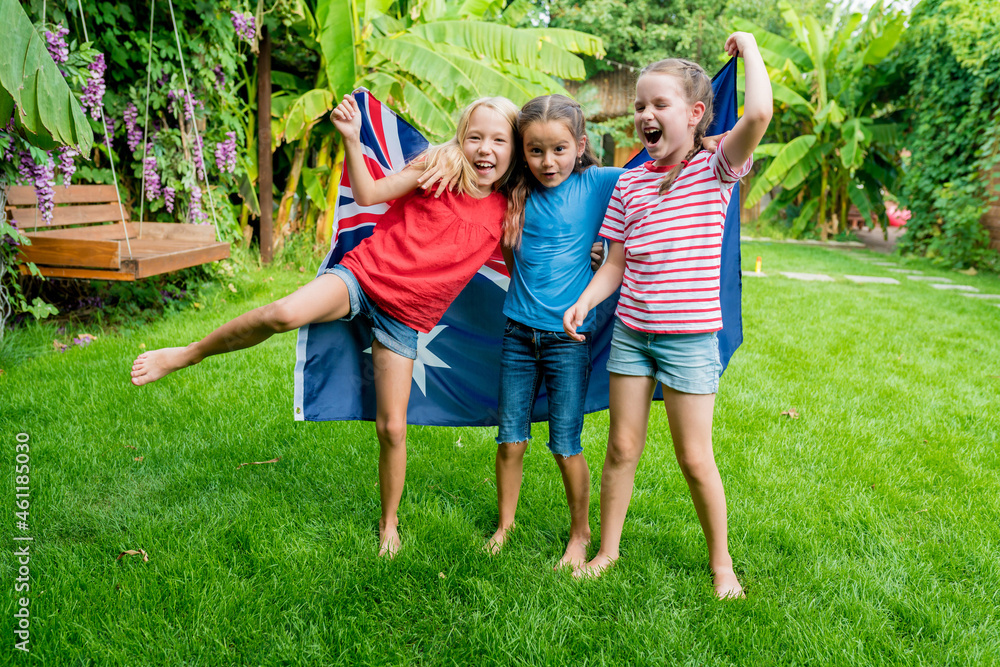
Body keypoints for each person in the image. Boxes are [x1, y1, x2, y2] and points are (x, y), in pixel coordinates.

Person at [130, 93, 526, 558]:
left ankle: (388, 522)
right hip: (363, 277)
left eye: (499, 140)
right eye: (475, 136)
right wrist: (353, 141)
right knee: (280, 313)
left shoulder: (508, 214)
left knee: (393, 429)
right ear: (461, 137)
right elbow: (370, 194)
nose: (485, 149)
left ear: (514, 150)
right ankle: (188, 353)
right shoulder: (438, 166)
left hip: (406, 318)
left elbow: (527, 269)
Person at [563, 32, 772, 597]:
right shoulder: (629, 182)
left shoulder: (716, 171)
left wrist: (749, 47)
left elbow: (758, 112)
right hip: (632, 333)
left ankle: (722, 564)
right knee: (621, 448)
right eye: (639, 106)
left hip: (689, 339)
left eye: (659, 104)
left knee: (693, 457)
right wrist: (588, 298)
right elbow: (615, 261)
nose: (645, 115)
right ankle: (607, 551)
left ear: (696, 114)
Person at [485, 95, 622, 569]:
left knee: (566, 445)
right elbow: (472, 155)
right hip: (517, 335)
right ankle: (505, 525)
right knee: (510, 439)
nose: (548, 162)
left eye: (560, 149)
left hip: (569, 340)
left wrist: (704, 138)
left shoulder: (596, 183)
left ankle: (581, 533)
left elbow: (660, 168)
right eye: (536, 150)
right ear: (522, 151)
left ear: (580, 146)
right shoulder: (511, 191)